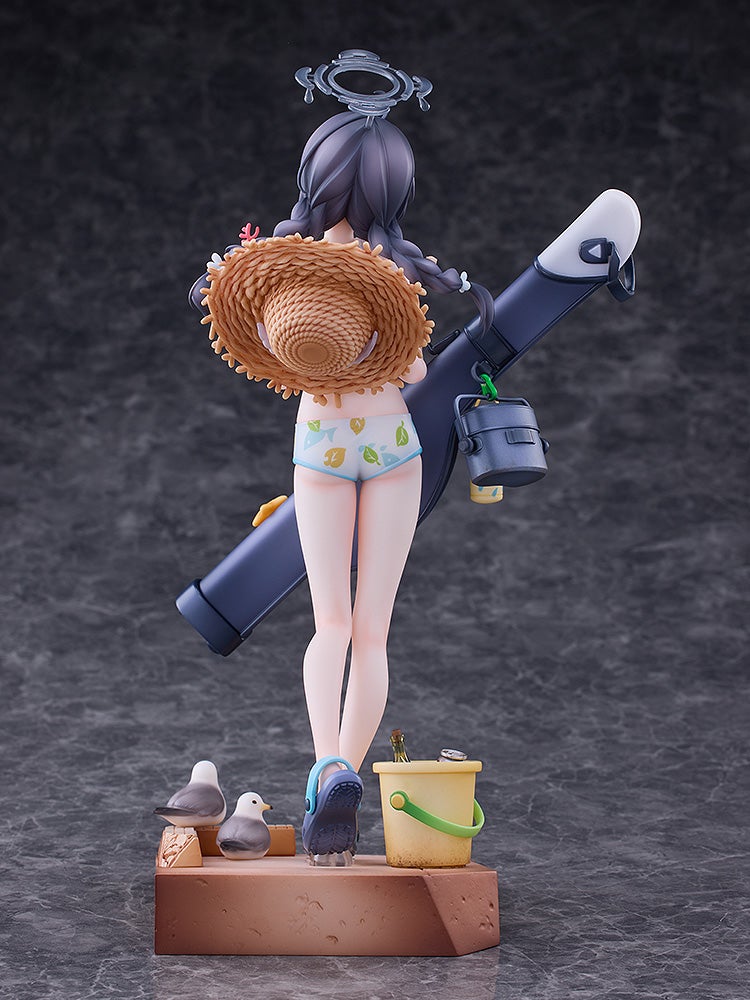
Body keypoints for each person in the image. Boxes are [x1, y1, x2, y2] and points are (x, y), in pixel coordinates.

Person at [197, 102, 493, 863]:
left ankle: (326, 760)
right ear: (393, 190)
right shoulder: (392, 270)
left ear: (315, 180)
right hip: (392, 447)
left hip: (321, 445)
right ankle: (345, 773)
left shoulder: (288, 268)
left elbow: (268, 335)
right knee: (372, 630)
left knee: (329, 624)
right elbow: (415, 370)